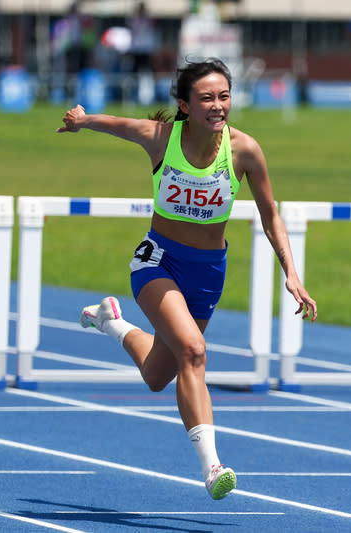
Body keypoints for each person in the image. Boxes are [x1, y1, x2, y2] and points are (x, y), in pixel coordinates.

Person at [56, 58, 317, 500]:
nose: (218, 106)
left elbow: (270, 213)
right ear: (185, 105)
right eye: (207, 99)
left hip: (208, 271)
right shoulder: (161, 139)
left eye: (224, 96)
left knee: (159, 373)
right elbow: (114, 123)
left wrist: (290, 272)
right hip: (158, 262)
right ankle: (213, 467)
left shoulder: (245, 150)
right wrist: (82, 121)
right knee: (194, 352)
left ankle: (110, 320)